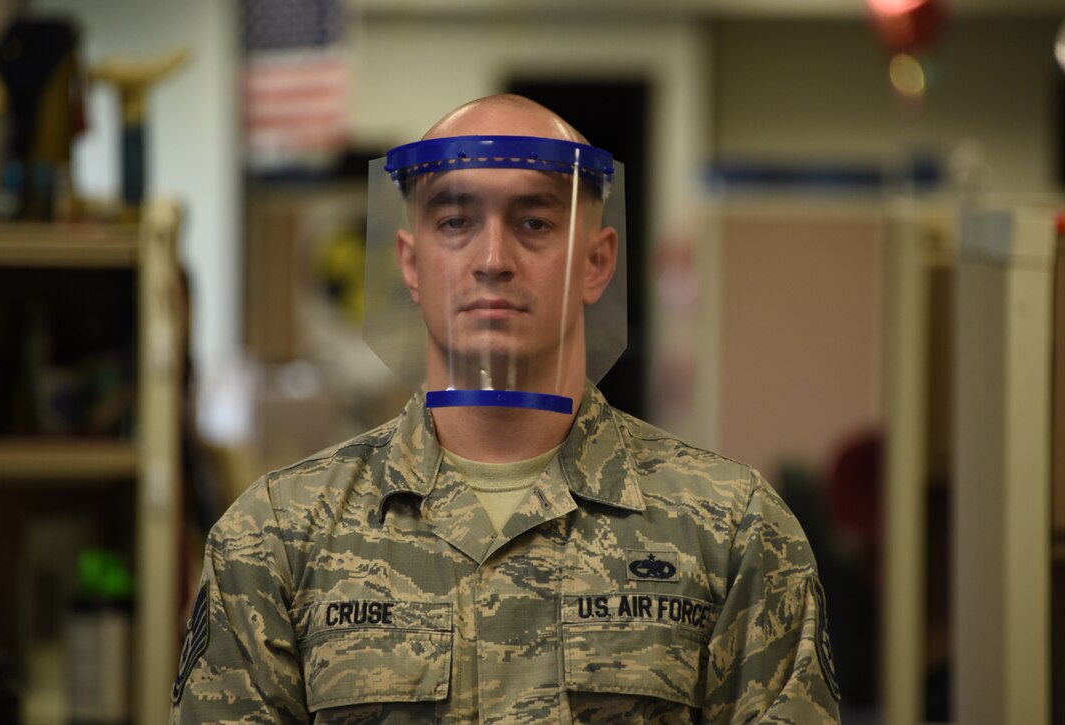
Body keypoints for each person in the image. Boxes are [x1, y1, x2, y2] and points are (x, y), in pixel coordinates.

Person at [169, 94, 841, 724]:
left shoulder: (731, 530)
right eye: (456, 221)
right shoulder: (276, 537)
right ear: (409, 262)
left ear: (597, 261)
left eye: (535, 222)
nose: (492, 259)